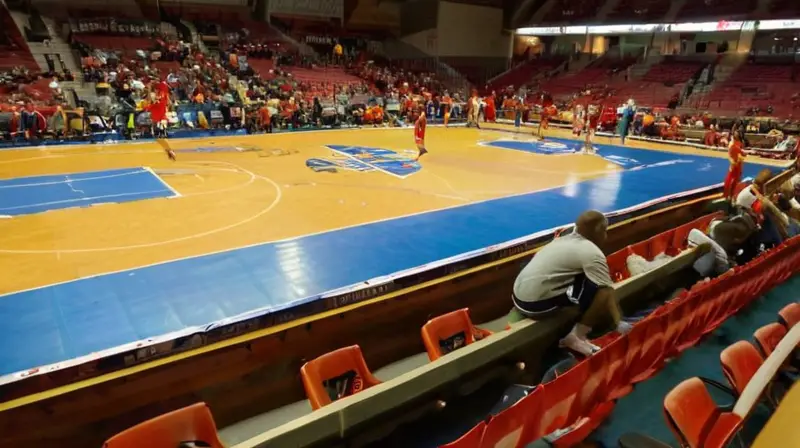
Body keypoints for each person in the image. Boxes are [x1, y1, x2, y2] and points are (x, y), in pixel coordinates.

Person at [512, 210, 632, 356]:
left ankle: (571, 323)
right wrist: (618, 321)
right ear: (598, 231)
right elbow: (606, 290)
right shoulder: (591, 252)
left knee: (582, 277)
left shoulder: (561, 239)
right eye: (605, 231)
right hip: (536, 306)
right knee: (596, 288)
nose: (606, 236)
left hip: (517, 297)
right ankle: (577, 335)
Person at [723, 133, 745, 204]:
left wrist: (740, 160)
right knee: (730, 180)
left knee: (734, 180)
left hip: (737, 164)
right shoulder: (732, 144)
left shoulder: (738, 144)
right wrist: (732, 161)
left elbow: (741, 154)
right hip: (735, 164)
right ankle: (727, 196)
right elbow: (729, 155)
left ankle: (731, 196)